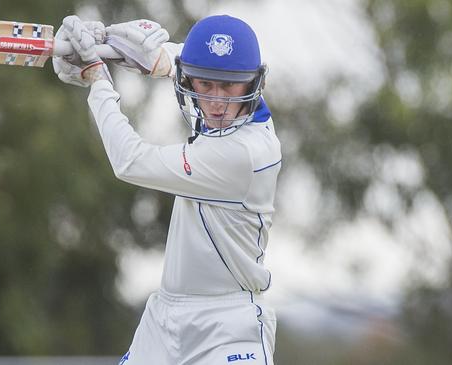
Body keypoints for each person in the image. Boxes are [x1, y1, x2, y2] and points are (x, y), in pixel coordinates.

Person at [53, 14, 282, 365]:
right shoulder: (231, 102)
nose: (217, 103)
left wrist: (97, 79)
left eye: (229, 87)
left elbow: (129, 160)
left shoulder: (243, 155)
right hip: (164, 318)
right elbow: (196, 67)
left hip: (229, 324)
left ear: (253, 83)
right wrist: (151, 56)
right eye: (206, 86)